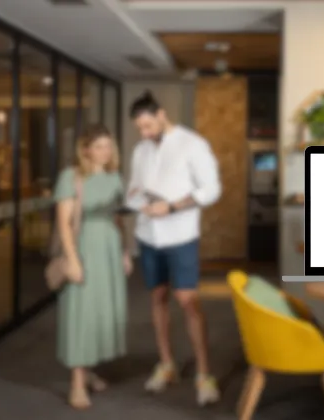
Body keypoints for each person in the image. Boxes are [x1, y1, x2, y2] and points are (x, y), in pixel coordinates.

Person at [125, 91, 222, 406]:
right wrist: (139, 201)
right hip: (148, 236)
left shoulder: (192, 144)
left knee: (187, 300)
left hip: (180, 236)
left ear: (162, 115)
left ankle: (204, 374)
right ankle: (166, 364)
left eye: (148, 126)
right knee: (157, 297)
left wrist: (171, 206)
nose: (144, 133)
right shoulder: (140, 150)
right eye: (140, 128)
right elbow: (132, 191)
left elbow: (211, 189)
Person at [54, 124, 132, 409]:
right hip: (84, 247)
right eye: (99, 146)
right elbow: (64, 223)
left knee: (101, 311)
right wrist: (73, 259)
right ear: (85, 149)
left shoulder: (114, 177)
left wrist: (124, 252)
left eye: (108, 146)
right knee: (82, 313)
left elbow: (117, 219)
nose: (105, 151)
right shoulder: (71, 176)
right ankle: (77, 383)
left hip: (109, 248)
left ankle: (88, 371)